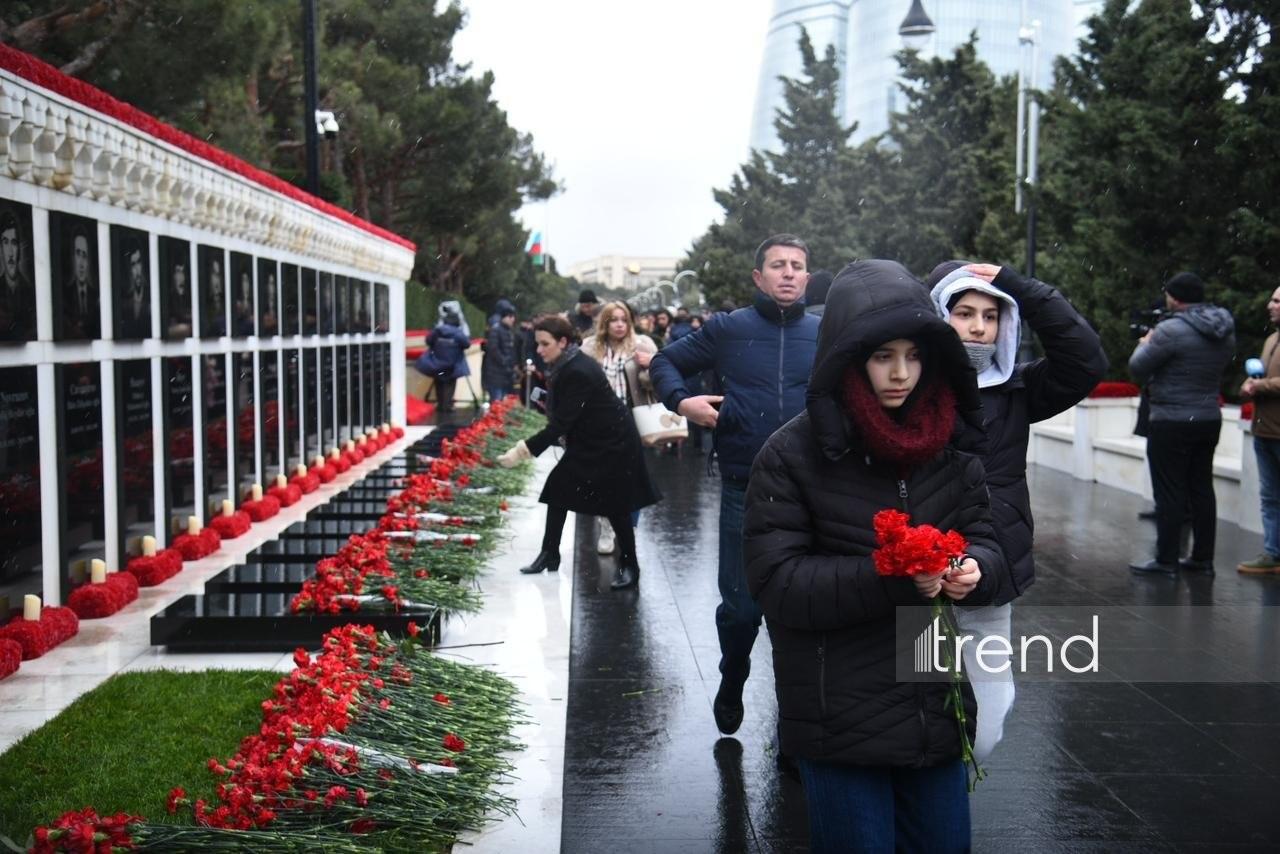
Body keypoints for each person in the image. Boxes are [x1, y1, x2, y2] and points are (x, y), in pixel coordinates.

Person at [744, 260, 1004, 853]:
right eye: (883, 356)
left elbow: (986, 539)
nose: (901, 374)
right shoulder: (790, 455)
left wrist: (976, 569)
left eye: (914, 356)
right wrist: (892, 577)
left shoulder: (950, 446)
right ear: (848, 359)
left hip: (933, 705)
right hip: (838, 715)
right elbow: (777, 583)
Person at [927, 260, 1108, 759]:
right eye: (964, 313)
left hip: (991, 567)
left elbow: (1085, 360)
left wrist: (1021, 288)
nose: (979, 327)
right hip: (917, 571)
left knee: (985, 723)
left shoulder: (1018, 390)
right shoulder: (906, 390)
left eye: (991, 315)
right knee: (917, 701)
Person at [650, 233, 819, 735]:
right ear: (758, 277)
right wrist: (683, 402)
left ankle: (796, 723)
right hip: (746, 483)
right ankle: (733, 673)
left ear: (807, 277)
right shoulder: (729, 328)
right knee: (742, 608)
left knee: (803, 609)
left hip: (814, 489)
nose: (788, 273)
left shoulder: (825, 331)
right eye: (778, 265)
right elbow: (665, 361)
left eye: (797, 266)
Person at [497, 314, 659, 589]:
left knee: (616, 503)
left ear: (562, 342)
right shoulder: (568, 364)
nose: (539, 350)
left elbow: (561, 423)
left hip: (613, 442)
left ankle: (630, 566)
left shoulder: (577, 370)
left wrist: (522, 451)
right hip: (593, 439)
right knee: (558, 488)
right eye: (538, 344)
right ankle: (550, 553)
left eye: (544, 344)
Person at [1128, 272, 1235, 575]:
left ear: (1175, 298)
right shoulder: (1224, 327)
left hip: (1171, 420)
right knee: (1201, 488)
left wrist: (1145, 342)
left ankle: (1166, 560)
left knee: (1170, 490)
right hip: (1208, 417)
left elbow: (1137, 367)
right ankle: (1202, 559)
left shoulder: (1169, 330)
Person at [582, 300, 659, 554]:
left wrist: (649, 368)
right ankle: (606, 526)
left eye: (624, 320)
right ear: (604, 323)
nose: (619, 325)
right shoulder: (589, 348)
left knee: (631, 477)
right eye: (614, 320)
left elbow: (659, 380)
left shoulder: (642, 345)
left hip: (632, 419)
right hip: (599, 420)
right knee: (602, 477)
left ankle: (629, 530)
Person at [1238, 285, 1280, 574]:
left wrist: (1259, 386)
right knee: (1270, 496)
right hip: (1263, 430)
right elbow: (1262, 377)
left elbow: (1268, 383)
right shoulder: (1271, 340)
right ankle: (1273, 553)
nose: (1270, 305)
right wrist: (1249, 386)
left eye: (1277, 301)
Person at [421, 311, 471, 413]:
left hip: (437, 363)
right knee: (450, 383)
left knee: (439, 382)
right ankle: (447, 405)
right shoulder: (458, 333)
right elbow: (467, 344)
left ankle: (440, 404)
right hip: (453, 364)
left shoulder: (437, 331)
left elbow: (428, 341)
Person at [0, 208, 34, 341]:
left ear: (20, 248)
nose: (10, 252)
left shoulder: (29, 289)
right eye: (5, 242)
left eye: (14, 243)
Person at [61, 225, 99, 339]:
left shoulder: (96, 295)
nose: (81, 263)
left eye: (85, 255)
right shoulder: (65, 294)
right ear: (73, 257)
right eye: (78, 254)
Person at [482, 299, 517, 403]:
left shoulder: (507, 331)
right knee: (497, 401)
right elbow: (493, 349)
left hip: (504, 373)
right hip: (496, 373)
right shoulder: (496, 329)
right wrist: (504, 361)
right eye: (510, 316)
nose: (513, 319)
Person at [117, 242, 150, 339]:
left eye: (139, 262)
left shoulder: (151, 294)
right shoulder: (124, 299)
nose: (137, 270)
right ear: (129, 269)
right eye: (133, 264)